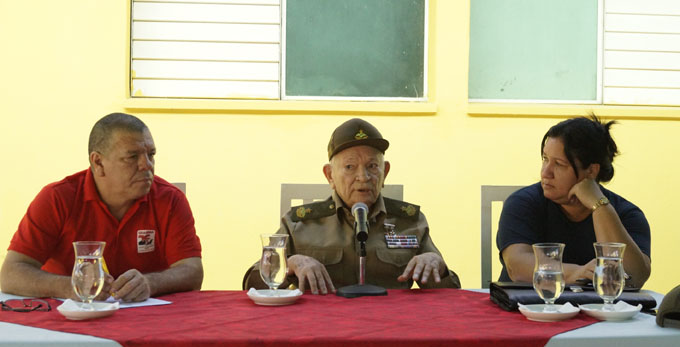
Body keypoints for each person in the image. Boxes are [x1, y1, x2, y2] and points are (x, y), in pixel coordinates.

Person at [243, 118, 460, 294]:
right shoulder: (300, 224)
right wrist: (291, 263)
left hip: (393, 331)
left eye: (372, 166)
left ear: (385, 172)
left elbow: (450, 293)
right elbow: (252, 283)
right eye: (349, 167)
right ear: (329, 175)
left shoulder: (410, 221)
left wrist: (436, 265)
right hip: (320, 332)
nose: (363, 177)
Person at [0, 113, 203, 301]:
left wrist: (151, 283)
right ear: (98, 162)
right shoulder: (57, 198)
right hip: (70, 322)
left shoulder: (170, 199)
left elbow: (193, 271)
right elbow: (11, 274)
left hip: (147, 321)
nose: (147, 165)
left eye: (151, 154)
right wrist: (71, 287)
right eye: (132, 157)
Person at [496, 115, 651, 288]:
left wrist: (599, 206)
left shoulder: (626, 214)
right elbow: (517, 266)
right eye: (545, 159)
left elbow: (634, 277)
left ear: (591, 171)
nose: (546, 172)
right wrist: (576, 273)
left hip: (601, 313)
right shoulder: (523, 203)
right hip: (527, 310)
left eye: (559, 164)